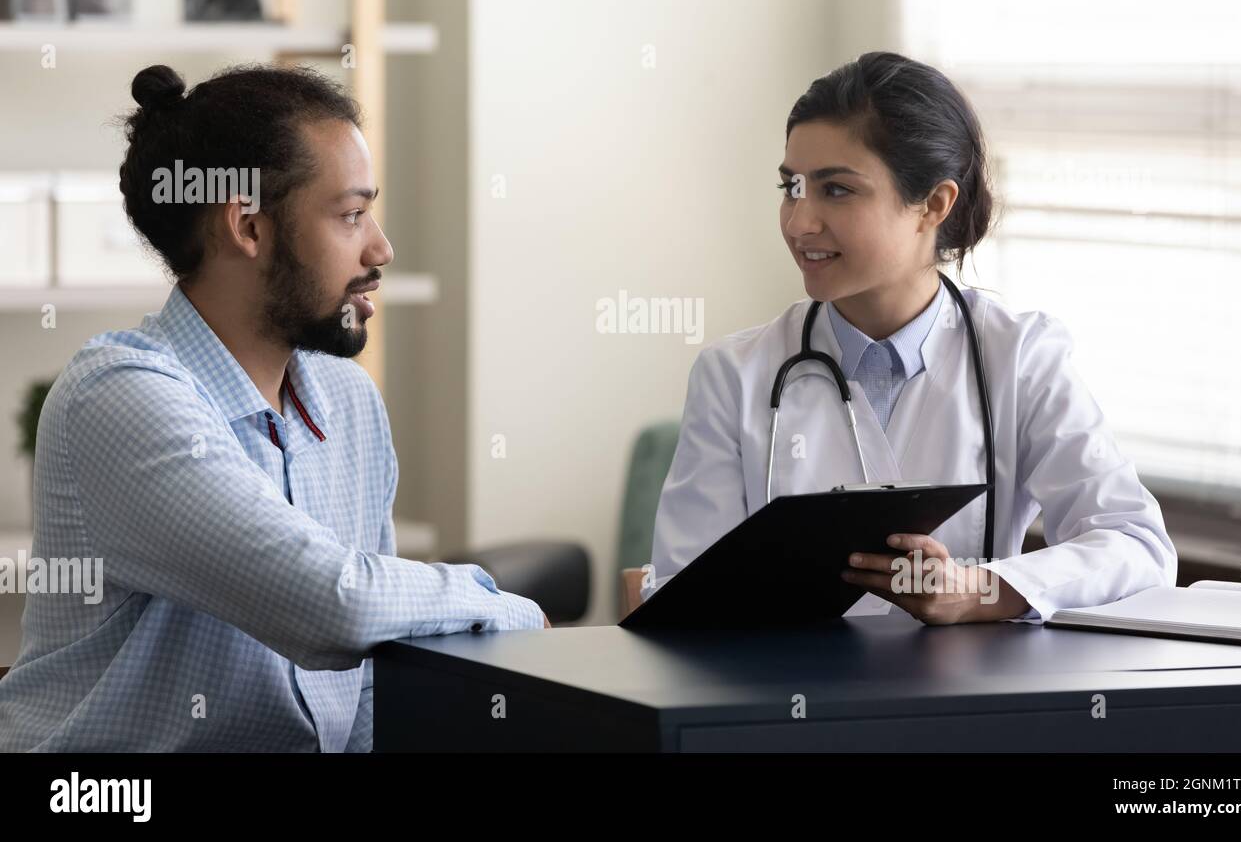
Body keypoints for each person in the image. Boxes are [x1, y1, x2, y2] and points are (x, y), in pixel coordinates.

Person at [0, 64, 547, 752]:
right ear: (249, 227)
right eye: (350, 215)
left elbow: (369, 679)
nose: (381, 248)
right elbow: (333, 605)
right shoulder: (120, 398)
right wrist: (504, 606)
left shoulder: (348, 402)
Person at [645, 51, 1177, 625]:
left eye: (837, 190)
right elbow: (680, 598)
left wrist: (979, 589)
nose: (799, 222)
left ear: (933, 204)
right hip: (787, 709)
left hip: (964, 708)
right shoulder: (735, 375)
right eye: (791, 187)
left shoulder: (1021, 359)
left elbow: (1137, 544)